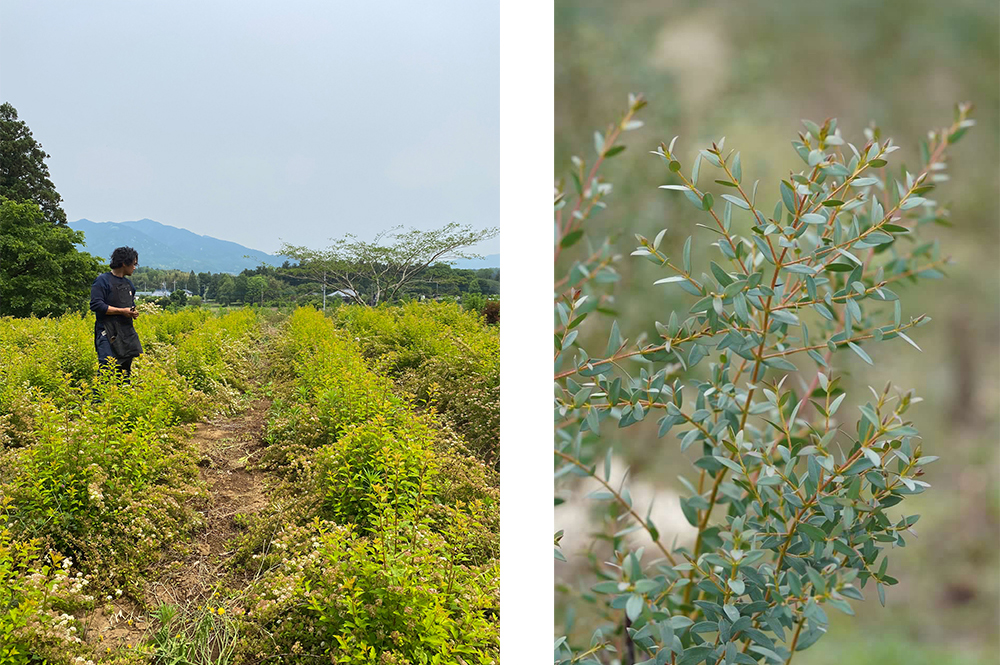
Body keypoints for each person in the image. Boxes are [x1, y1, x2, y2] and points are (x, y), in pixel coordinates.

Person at [90, 246, 143, 376]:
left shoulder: (129, 285)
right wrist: (122, 311)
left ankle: (122, 395)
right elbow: (96, 305)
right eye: (134, 264)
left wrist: (132, 312)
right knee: (107, 367)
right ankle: (98, 396)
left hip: (126, 331)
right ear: (124, 263)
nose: (135, 267)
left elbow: (130, 304)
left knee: (125, 370)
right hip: (106, 330)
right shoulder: (102, 281)